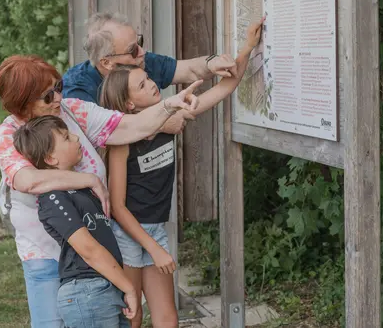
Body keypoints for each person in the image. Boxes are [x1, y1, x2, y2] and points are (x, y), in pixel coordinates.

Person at [0, 54, 200, 328]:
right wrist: (88, 180)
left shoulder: (72, 110)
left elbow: (130, 126)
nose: (57, 98)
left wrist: (168, 106)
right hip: (46, 255)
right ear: (21, 105)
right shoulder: (8, 134)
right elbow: (29, 180)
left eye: (59, 86)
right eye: (46, 95)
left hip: (95, 256)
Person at [99, 18, 264, 328]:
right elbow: (118, 208)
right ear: (130, 103)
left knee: (168, 319)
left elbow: (226, 86)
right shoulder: (122, 141)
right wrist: (154, 249)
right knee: (132, 317)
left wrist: (248, 46)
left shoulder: (172, 116)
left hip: (155, 230)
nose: (152, 84)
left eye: (148, 78)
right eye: (143, 85)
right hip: (129, 235)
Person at [13, 116, 137, 328]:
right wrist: (129, 287)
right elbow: (88, 249)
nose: (76, 138)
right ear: (51, 158)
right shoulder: (53, 197)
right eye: (66, 137)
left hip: (105, 287)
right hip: (88, 292)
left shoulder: (82, 190)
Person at [62, 12, 239, 134]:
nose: (142, 51)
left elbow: (189, 70)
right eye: (132, 49)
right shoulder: (76, 90)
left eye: (140, 41)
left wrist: (213, 62)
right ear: (107, 62)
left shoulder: (139, 60)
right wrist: (160, 122)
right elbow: (96, 132)